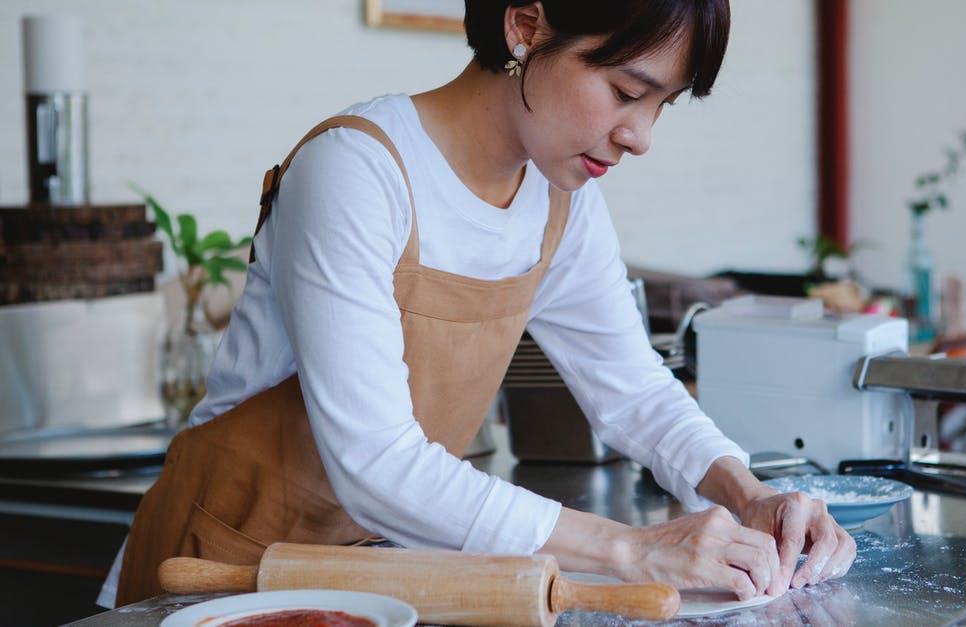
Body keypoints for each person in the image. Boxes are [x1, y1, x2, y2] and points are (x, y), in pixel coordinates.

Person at [105, 0, 856, 608]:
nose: (641, 135)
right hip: (213, 575)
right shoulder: (357, 171)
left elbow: (633, 389)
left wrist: (749, 492)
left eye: (664, 102)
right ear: (525, 27)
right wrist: (630, 548)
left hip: (373, 580)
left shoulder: (562, 199)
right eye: (627, 91)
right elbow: (374, 461)